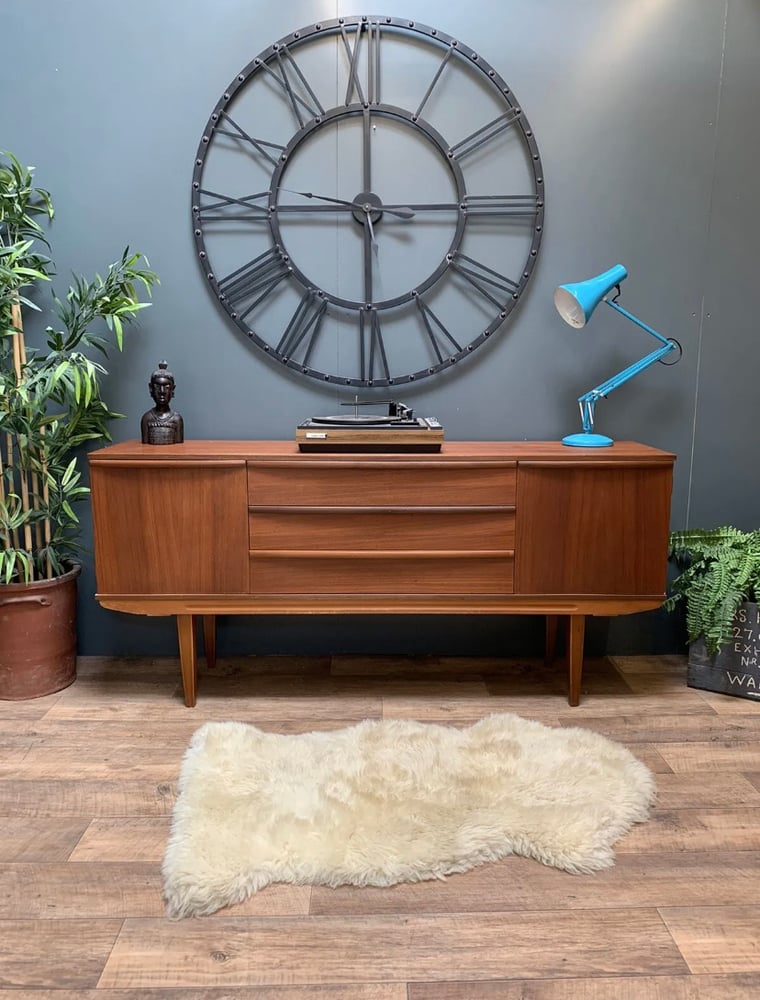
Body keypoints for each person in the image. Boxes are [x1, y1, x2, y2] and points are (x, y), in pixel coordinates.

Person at [141, 360, 184, 445]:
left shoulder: (176, 419)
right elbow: (145, 449)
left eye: (166, 387)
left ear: (172, 390)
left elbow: (179, 449)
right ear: (151, 389)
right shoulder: (147, 419)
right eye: (157, 387)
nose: (162, 391)